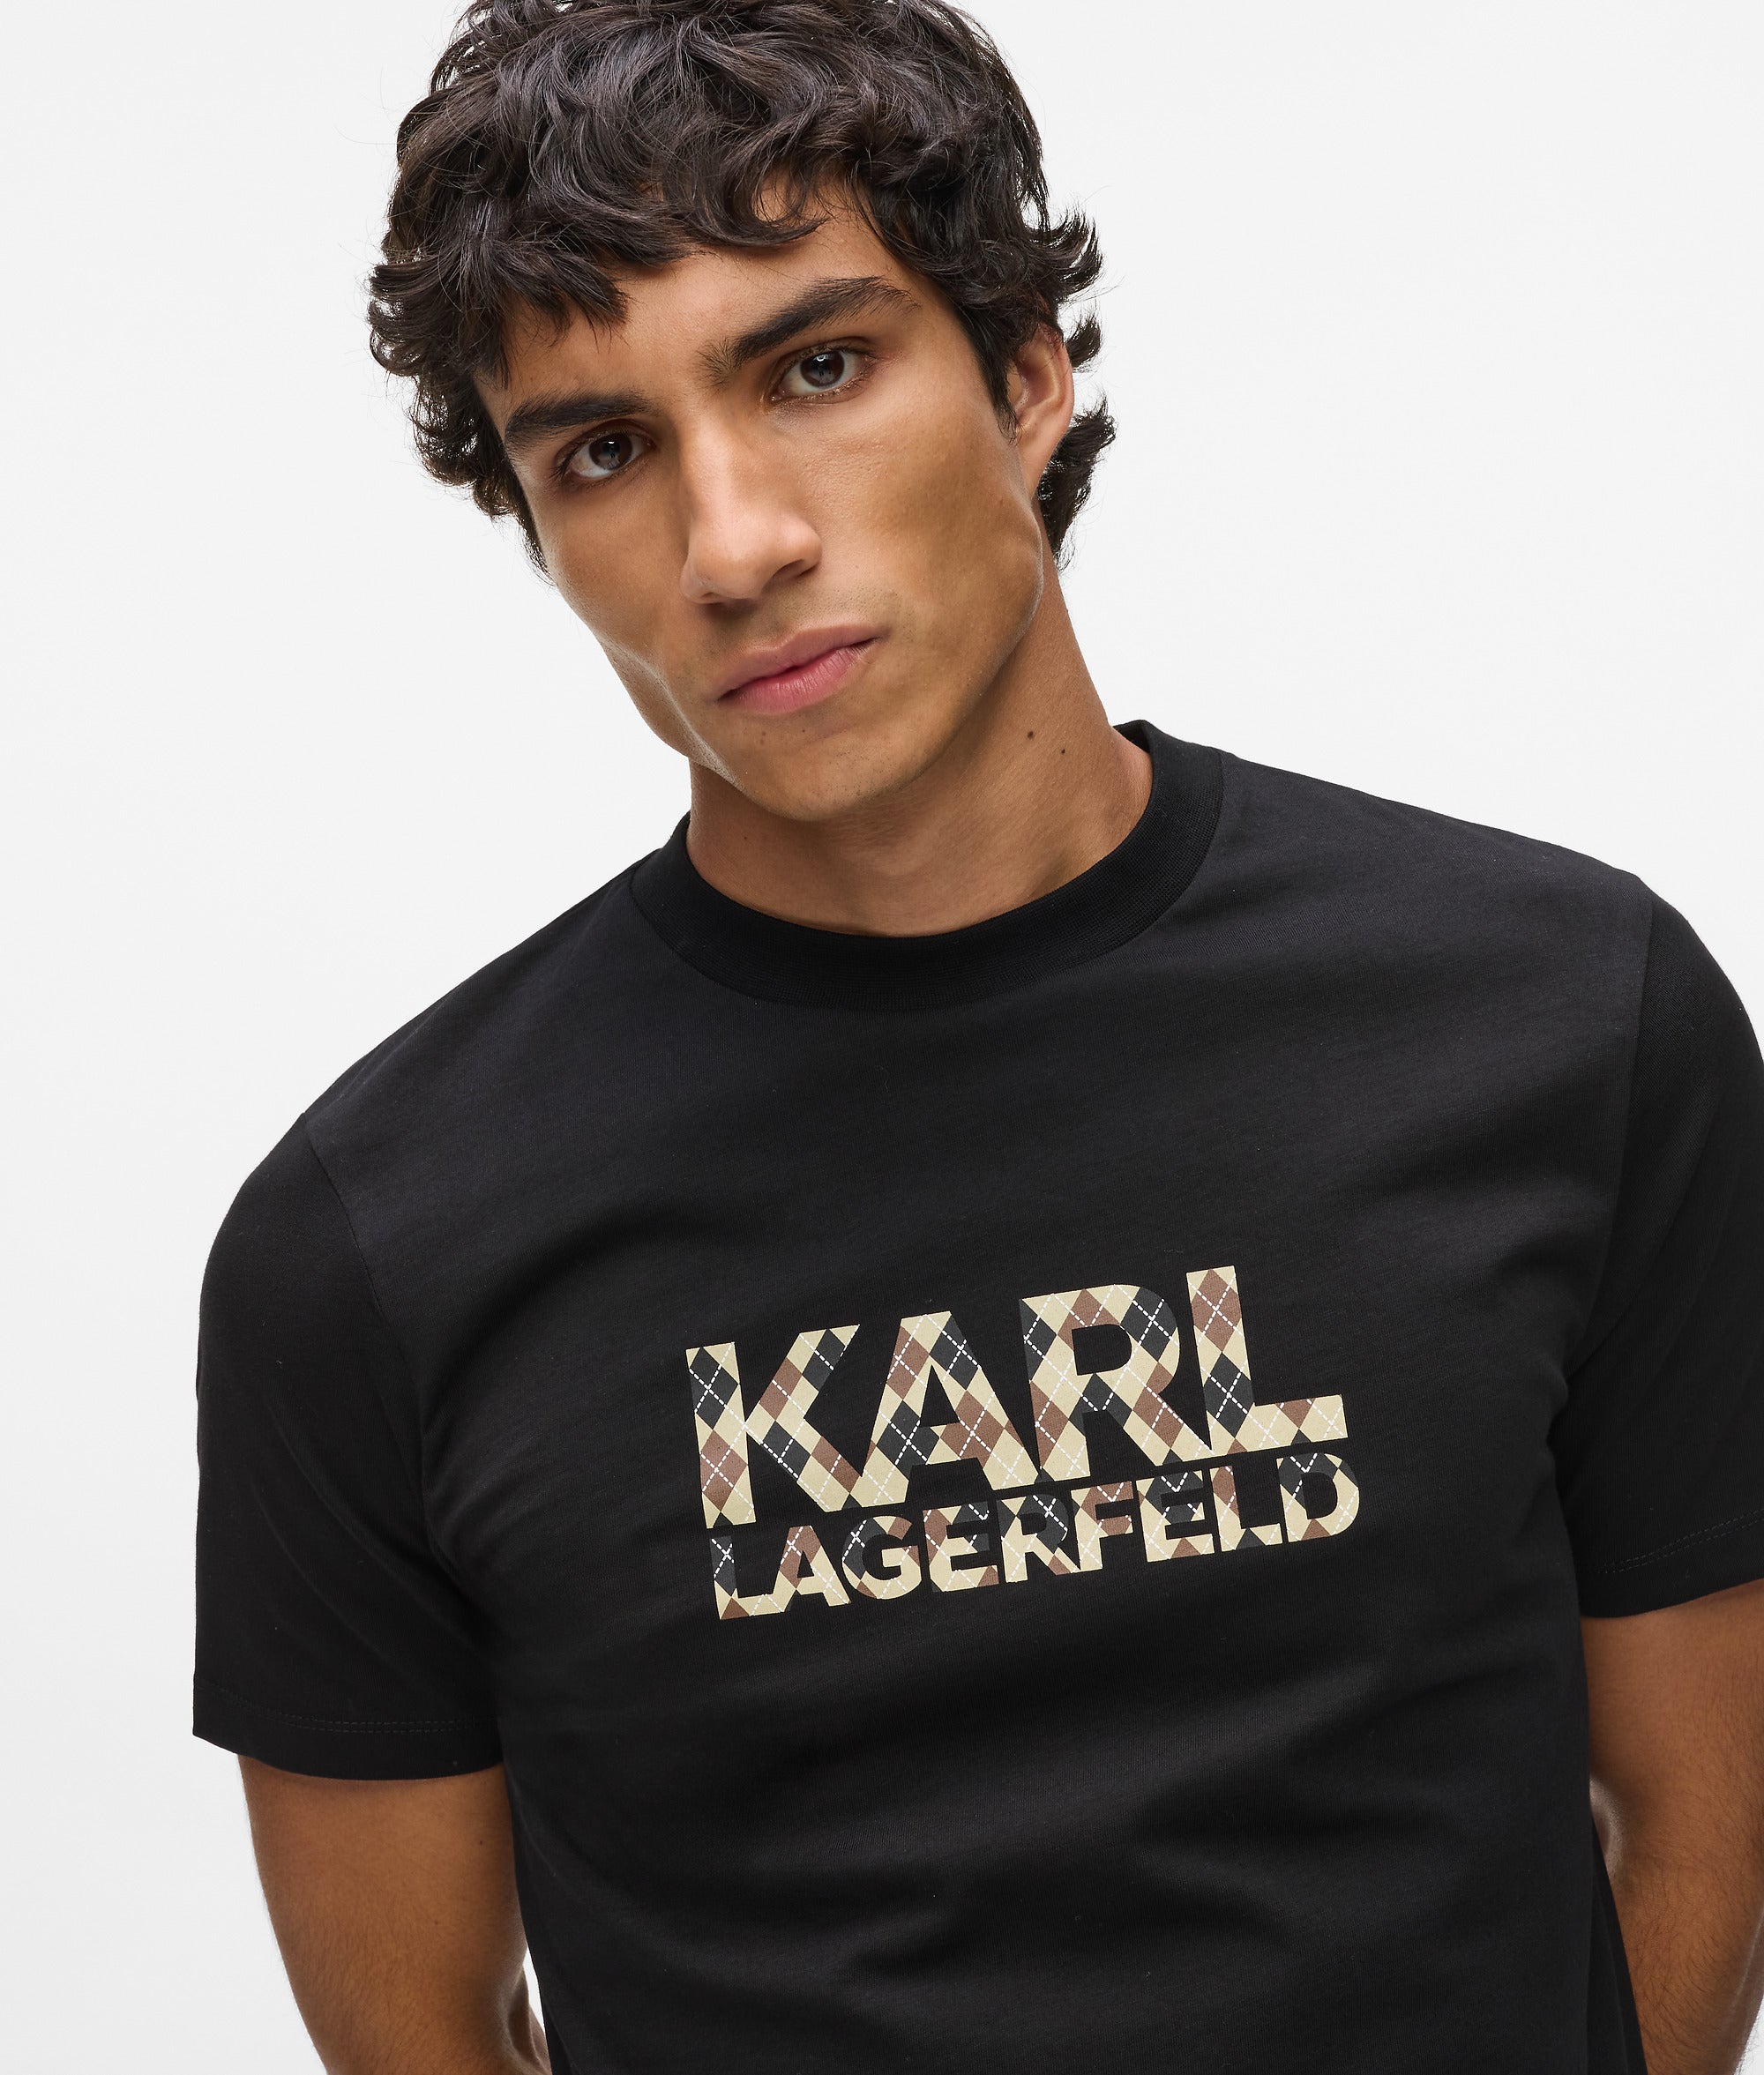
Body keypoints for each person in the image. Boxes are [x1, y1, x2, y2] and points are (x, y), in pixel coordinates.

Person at [192, 2, 1764, 2070]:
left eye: (814, 368)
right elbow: (423, 2032)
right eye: (603, 451)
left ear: (1025, 375)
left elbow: (1697, 1842)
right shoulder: (370, 1247)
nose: (735, 543)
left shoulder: (1568, 1017)